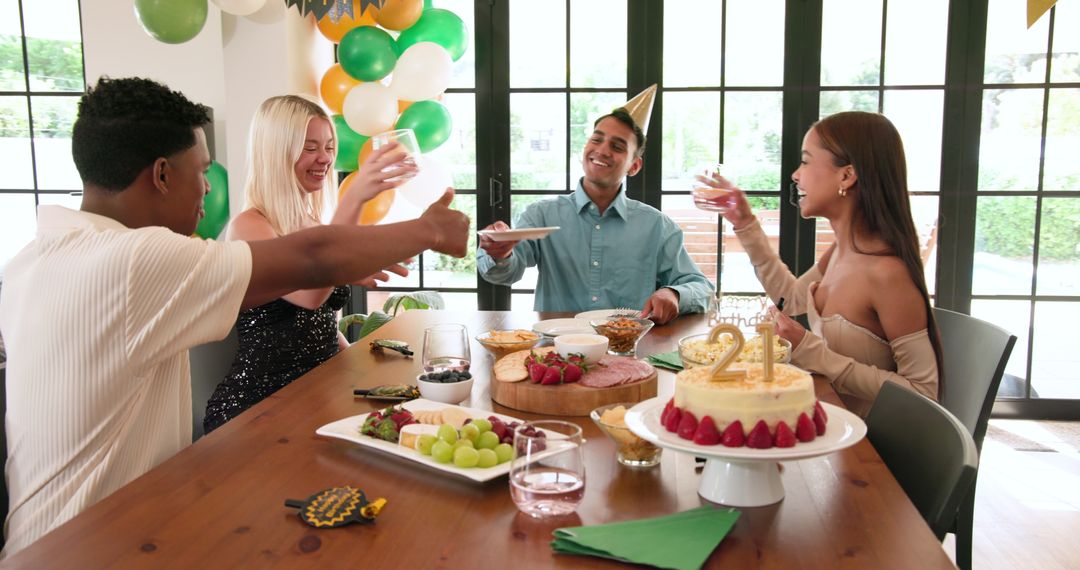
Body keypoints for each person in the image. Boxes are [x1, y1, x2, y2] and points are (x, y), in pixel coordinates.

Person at [0, 77, 469, 556]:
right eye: (201, 170)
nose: (207, 186)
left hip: (59, 538)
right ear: (162, 175)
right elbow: (312, 259)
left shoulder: (30, 260)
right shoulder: (136, 260)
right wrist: (430, 229)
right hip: (90, 548)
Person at [697, 111, 942, 416]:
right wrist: (744, 221)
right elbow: (790, 298)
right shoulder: (842, 250)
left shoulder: (888, 275)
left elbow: (924, 394)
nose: (795, 175)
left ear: (846, 175)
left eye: (806, 161)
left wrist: (813, 352)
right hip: (828, 423)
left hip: (866, 452)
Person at [202, 95, 413, 434]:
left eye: (329, 147)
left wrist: (360, 359)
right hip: (258, 406)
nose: (325, 158)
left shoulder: (313, 221)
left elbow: (318, 320)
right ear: (276, 153)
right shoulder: (251, 225)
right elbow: (309, 296)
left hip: (315, 391)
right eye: (310, 147)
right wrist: (356, 196)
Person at [476, 85, 713, 324]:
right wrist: (501, 254)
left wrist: (673, 293)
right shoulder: (542, 214)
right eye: (597, 139)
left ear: (634, 166)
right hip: (557, 352)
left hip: (629, 351)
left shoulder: (657, 226)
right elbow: (504, 273)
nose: (602, 150)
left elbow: (703, 289)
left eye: (617, 146)